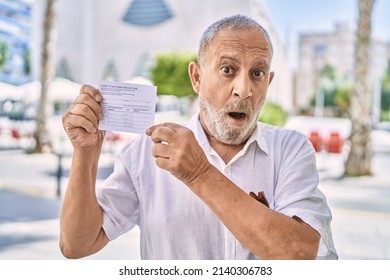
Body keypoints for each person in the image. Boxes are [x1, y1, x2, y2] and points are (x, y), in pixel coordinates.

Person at [60, 14, 337, 260]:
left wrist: (200, 174)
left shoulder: (290, 149)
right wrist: (85, 153)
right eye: (227, 69)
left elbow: (300, 255)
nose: (244, 90)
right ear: (197, 77)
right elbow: (76, 245)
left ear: (269, 82)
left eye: (257, 73)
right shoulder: (145, 153)